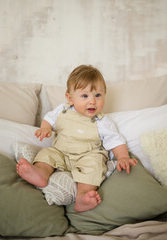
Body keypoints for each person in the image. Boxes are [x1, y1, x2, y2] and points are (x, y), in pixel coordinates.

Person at [16, 65, 137, 212]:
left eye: (98, 95)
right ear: (70, 98)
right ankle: (40, 173)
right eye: (85, 96)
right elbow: (49, 119)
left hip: (87, 156)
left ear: (104, 95)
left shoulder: (102, 121)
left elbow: (115, 141)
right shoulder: (63, 110)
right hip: (61, 153)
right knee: (47, 153)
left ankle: (83, 197)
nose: (92, 101)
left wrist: (123, 156)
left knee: (95, 164)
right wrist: (45, 128)